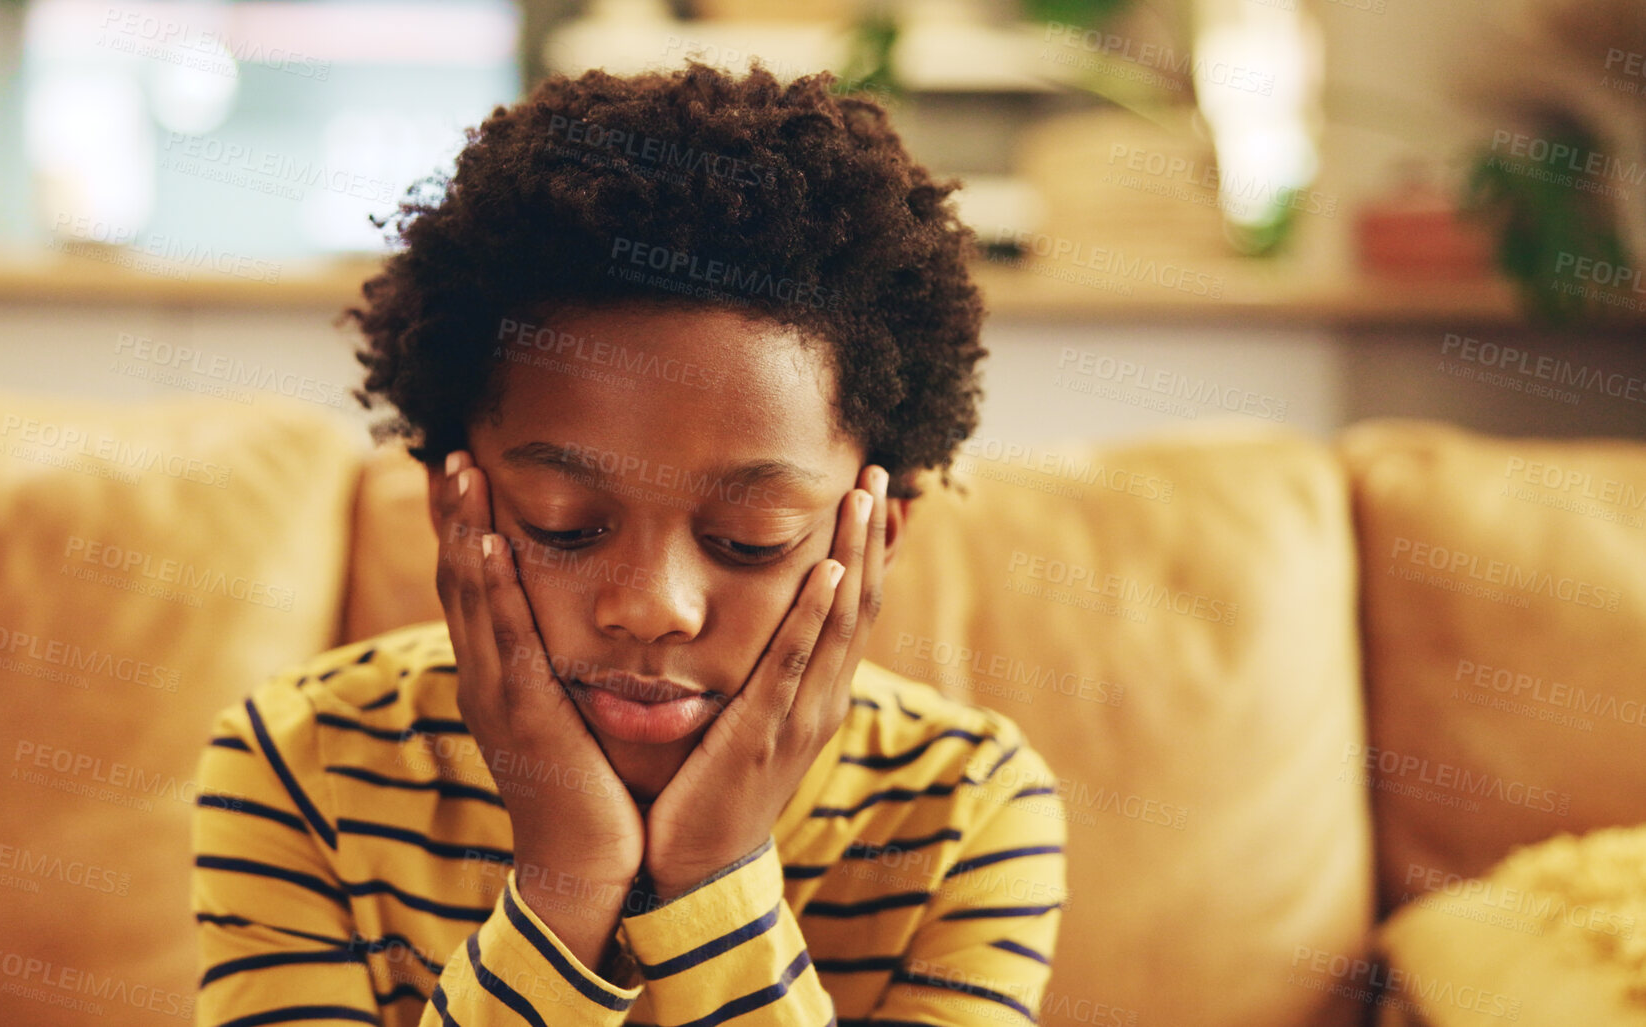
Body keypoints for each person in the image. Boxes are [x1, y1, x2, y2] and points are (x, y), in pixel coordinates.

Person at [190, 59, 1066, 1026]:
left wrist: (716, 873)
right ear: (454, 508)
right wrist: (565, 884)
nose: (652, 605)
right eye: (563, 524)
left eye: (747, 539)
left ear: (875, 536)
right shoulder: (299, 764)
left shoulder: (965, 810)